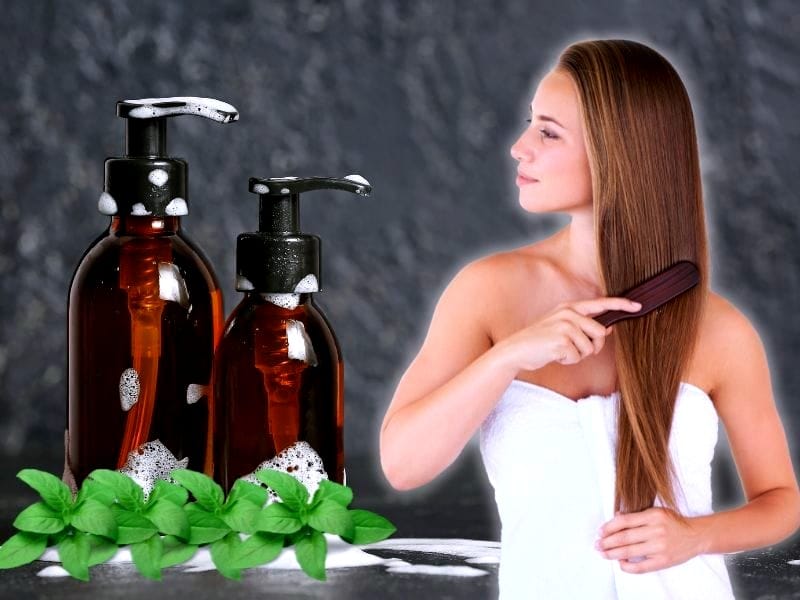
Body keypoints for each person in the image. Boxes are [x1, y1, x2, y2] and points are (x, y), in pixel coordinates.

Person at [379, 39, 800, 599]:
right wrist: (510, 355)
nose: (518, 147)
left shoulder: (721, 331)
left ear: (621, 155)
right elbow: (403, 465)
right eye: (531, 124)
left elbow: (781, 501)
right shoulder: (487, 293)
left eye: (548, 133)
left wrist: (695, 536)